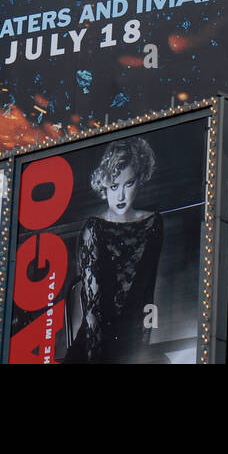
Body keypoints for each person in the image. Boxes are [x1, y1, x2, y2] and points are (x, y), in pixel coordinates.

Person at [65, 136, 164, 363]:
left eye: (128, 184)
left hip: (131, 343)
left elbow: (146, 294)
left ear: (140, 180)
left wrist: (139, 348)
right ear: (104, 187)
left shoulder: (153, 223)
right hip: (93, 347)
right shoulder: (94, 228)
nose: (120, 196)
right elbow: (93, 312)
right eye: (113, 186)